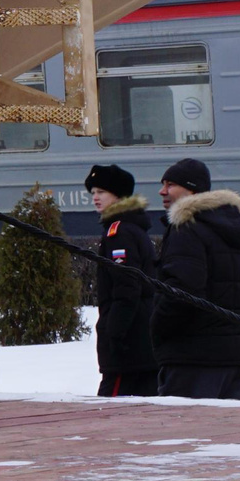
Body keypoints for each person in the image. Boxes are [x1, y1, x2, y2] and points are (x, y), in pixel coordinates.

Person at [150, 157, 240, 399]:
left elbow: (182, 293)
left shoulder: (186, 228)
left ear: (191, 190)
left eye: (170, 185)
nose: (162, 191)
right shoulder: (235, 228)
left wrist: (157, 329)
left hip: (194, 360)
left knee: (185, 424)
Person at [82, 163, 156, 395]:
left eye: (102, 192)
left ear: (119, 195)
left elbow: (127, 286)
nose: (95, 197)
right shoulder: (133, 227)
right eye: (93, 192)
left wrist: (114, 332)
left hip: (128, 342)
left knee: (111, 404)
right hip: (141, 337)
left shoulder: (119, 232)